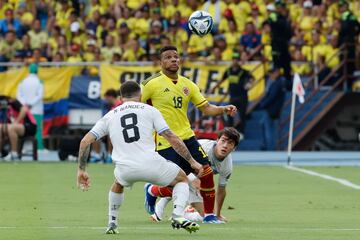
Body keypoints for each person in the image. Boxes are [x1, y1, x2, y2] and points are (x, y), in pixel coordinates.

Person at [76, 81, 202, 234]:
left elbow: (85, 141)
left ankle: (112, 224)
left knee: (118, 183)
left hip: (125, 169)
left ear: (121, 97)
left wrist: (81, 170)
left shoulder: (110, 115)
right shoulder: (150, 110)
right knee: (182, 179)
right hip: (151, 164)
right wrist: (192, 161)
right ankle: (177, 215)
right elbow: (171, 137)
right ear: (140, 95)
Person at [141, 46, 237, 224]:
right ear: (161, 62)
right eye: (168, 57)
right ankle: (152, 191)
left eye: (176, 57)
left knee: (206, 172)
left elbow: (206, 108)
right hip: (165, 141)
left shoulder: (188, 84)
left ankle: (209, 216)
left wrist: (223, 109)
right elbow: (135, 106)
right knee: (179, 183)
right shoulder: (150, 84)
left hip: (188, 137)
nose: (173, 60)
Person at [149, 127, 241, 223]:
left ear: (234, 148)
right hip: (179, 166)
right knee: (180, 185)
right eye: (223, 141)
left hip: (198, 179)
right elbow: (180, 161)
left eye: (230, 143)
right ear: (217, 140)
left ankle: (186, 213)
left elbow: (221, 190)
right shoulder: (203, 147)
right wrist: (193, 179)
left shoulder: (227, 166)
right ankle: (152, 191)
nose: (225, 145)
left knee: (205, 215)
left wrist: (217, 214)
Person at [210, 52, 253, 136]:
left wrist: (249, 84)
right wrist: (214, 88)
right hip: (233, 97)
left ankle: (241, 133)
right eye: (233, 59)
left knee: (242, 115)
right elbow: (221, 80)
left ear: (239, 61)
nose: (235, 61)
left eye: (237, 59)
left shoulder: (243, 71)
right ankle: (230, 133)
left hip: (242, 97)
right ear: (232, 60)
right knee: (230, 114)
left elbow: (252, 78)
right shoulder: (228, 71)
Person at [255, 68, 285, 150]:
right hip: (271, 109)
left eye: (272, 73)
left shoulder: (277, 84)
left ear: (276, 73)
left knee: (269, 129)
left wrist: (262, 105)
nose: (270, 75)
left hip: (271, 109)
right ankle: (265, 145)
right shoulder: (274, 83)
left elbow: (271, 97)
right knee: (263, 124)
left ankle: (270, 148)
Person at [90, 88, 122, 163]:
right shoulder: (109, 107)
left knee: (110, 134)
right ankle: (97, 156)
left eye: (106, 98)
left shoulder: (120, 105)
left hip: (119, 129)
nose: (105, 100)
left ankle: (110, 156)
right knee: (95, 134)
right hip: (111, 128)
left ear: (110, 97)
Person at [17, 63, 44, 150]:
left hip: (25, 110)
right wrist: (31, 104)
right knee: (38, 129)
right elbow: (39, 96)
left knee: (25, 128)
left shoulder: (22, 81)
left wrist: (25, 104)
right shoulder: (39, 82)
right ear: (37, 71)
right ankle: (39, 148)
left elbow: (18, 95)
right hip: (36, 110)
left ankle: (24, 147)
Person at [268, 0, 292, 90]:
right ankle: (272, 87)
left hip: (284, 44)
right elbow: (276, 25)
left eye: (282, 7)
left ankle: (288, 86)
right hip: (276, 44)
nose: (281, 9)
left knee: (287, 66)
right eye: (279, 7)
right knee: (277, 66)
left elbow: (288, 31)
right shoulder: (274, 16)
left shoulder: (284, 17)